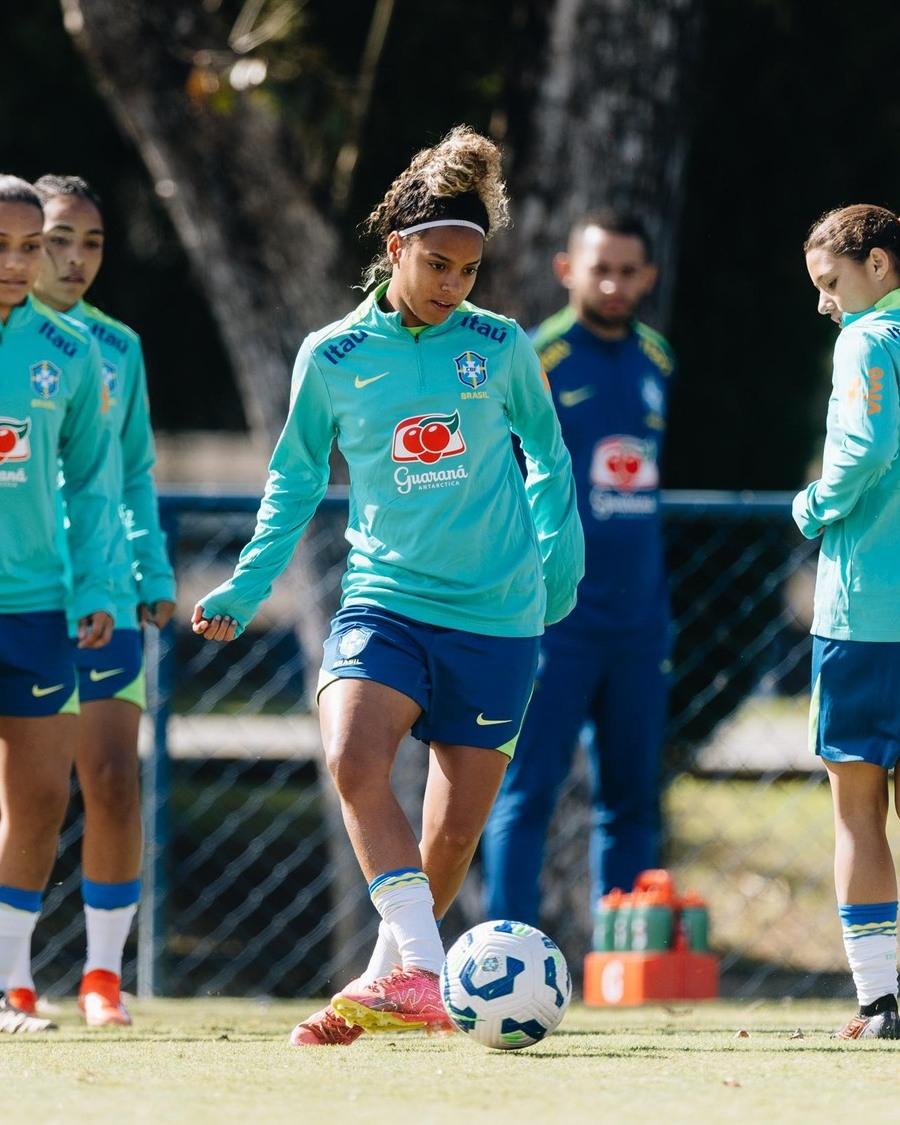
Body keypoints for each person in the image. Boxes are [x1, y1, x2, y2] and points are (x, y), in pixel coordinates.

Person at [192, 126, 584, 1046]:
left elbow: (549, 454)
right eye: (438, 265)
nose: (454, 285)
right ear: (397, 247)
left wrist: (558, 558)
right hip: (387, 600)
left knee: (451, 837)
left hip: (498, 615)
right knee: (353, 758)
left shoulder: (500, 344)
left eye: (469, 271)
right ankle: (425, 972)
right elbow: (295, 479)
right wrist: (248, 584)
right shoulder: (330, 356)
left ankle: (386, 980)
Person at [4, 176, 177, 1028]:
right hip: (40, 591)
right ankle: (14, 976)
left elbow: (123, 474)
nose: (70, 259)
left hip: (79, 596)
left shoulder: (103, 349)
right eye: (56, 240)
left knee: (100, 778)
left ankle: (100, 977)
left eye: (91, 243)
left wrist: (141, 575)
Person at [481, 210, 673, 926]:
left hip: (640, 621)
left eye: (627, 271)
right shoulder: (536, 356)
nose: (613, 284)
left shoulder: (658, 358)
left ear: (648, 277)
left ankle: (622, 966)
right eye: (600, 269)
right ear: (567, 270)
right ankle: (503, 956)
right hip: (554, 620)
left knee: (632, 802)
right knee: (524, 791)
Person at [0, 175, 116, 1034]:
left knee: (42, 797)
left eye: (27, 247)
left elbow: (94, 482)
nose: (16, 263)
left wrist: (100, 585)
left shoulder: (70, 351)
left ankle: (8, 983)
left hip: (39, 607)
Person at [793, 203, 900, 1041]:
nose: (826, 304)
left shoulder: (868, 340)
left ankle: (879, 999)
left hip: (865, 612)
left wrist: (813, 505)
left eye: (832, 282)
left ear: (880, 264)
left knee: (858, 809)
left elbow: (864, 449)